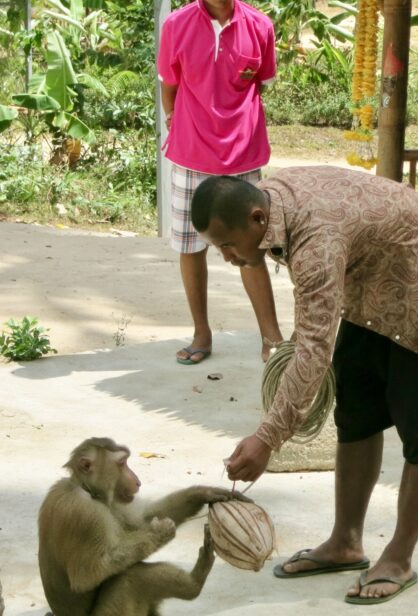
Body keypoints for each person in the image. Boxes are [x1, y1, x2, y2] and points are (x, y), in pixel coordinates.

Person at [191, 166, 418, 604]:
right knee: (357, 412)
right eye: (219, 249)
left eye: (228, 245)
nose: (228, 258)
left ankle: (398, 558)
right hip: (369, 282)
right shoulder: (269, 204)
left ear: (256, 219)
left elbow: (313, 348)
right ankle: (346, 542)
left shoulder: (315, 242)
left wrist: (267, 438)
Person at [157, 0, 284, 365]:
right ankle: (202, 333)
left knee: (251, 248)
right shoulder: (176, 25)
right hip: (189, 154)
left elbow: (259, 86)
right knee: (190, 245)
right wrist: (175, 120)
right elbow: (170, 86)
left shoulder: (260, 26)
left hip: (242, 155)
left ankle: (271, 338)